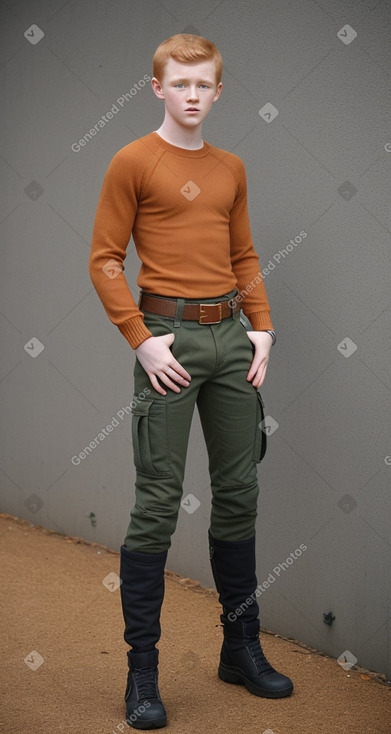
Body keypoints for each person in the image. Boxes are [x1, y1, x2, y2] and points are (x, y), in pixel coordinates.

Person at [89, 33, 293, 730]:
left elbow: (243, 252)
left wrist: (261, 326)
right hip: (167, 340)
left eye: (203, 84)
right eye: (180, 84)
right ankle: (140, 672)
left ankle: (240, 647)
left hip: (231, 339)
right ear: (157, 88)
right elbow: (105, 260)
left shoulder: (231, 166)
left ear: (217, 90)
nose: (192, 95)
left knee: (239, 493)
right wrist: (141, 342)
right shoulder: (131, 161)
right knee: (158, 503)